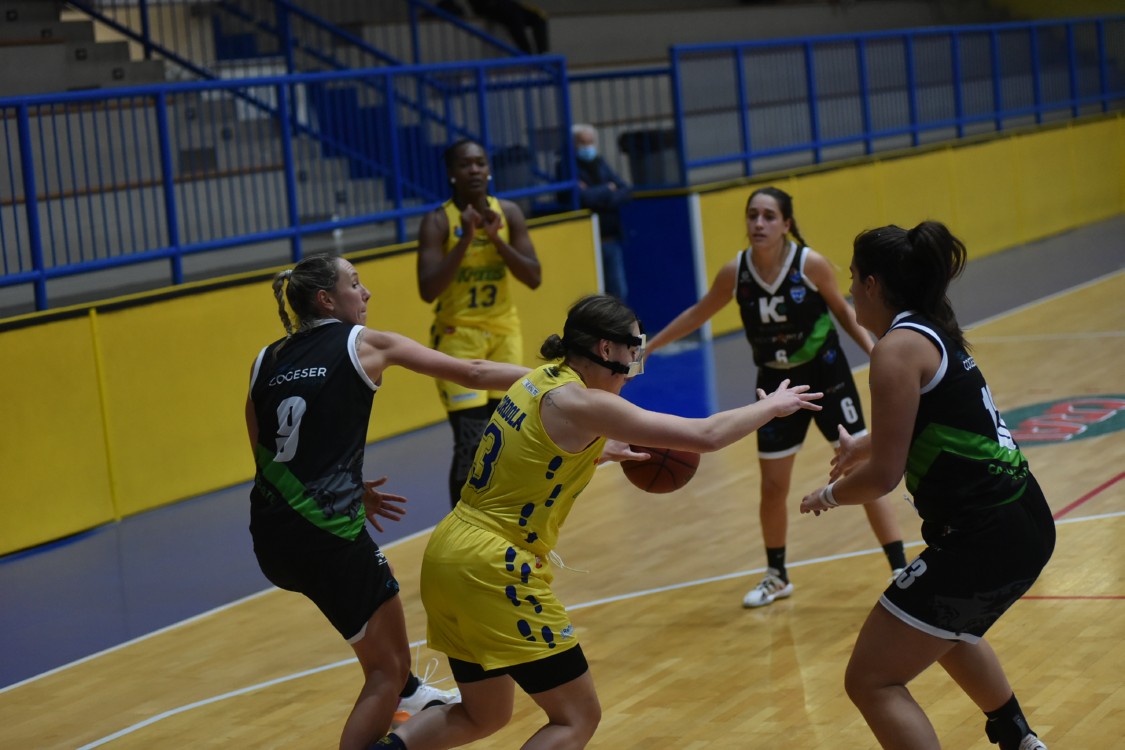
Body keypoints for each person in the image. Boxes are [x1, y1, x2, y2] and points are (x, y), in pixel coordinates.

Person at [375, 294, 823, 750]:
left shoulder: (538, 380)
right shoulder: (583, 403)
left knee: (481, 713)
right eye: (632, 350)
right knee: (576, 717)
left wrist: (594, 450)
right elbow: (705, 435)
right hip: (493, 567)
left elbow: (509, 409)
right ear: (607, 349)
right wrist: (773, 405)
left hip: (448, 553)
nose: (633, 364)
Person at [245, 253, 531, 750]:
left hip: (270, 536)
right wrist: (557, 379)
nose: (366, 293)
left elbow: (265, 448)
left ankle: (412, 696)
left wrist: (349, 487)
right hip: (326, 534)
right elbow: (473, 371)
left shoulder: (264, 361)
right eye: (355, 284)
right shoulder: (365, 343)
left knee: (377, 614)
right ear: (326, 299)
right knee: (388, 669)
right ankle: (403, 693)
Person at [800, 221, 1055, 750]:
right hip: (1022, 516)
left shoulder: (894, 349)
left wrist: (827, 495)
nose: (849, 289)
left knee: (871, 680)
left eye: (854, 278)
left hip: (986, 534)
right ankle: (1020, 740)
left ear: (873, 285)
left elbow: (884, 477)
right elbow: (940, 417)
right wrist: (865, 442)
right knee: (946, 627)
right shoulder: (930, 327)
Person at [646, 186, 907, 608]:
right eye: (752, 215)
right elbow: (699, 313)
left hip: (826, 376)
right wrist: (652, 346)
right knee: (772, 485)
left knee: (860, 467)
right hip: (775, 387)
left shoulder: (810, 264)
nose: (758, 223)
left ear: (786, 223)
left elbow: (845, 313)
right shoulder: (736, 272)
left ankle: (899, 568)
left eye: (768, 216)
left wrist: (880, 354)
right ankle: (777, 575)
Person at [417, 138, 542, 508]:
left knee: (505, 437)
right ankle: (461, 524)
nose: (474, 169)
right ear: (451, 173)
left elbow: (534, 277)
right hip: (458, 336)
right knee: (471, 441)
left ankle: (496, 515)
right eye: (465, 164)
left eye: (480, 163)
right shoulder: (438, 221)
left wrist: (494, 239)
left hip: (504, 334)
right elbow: (428, 289)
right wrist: (466, 240)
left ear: (489, 170)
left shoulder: (509, 213)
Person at [561, 123, 633, 301]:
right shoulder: (566, 167)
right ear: (573, 144)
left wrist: (600, 196)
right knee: (594, 296)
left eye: (590, 142)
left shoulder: (600, 162)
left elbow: (625, 190)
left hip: (610, 238)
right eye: (583, 142)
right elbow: (583, 198)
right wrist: (608, 189)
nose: (588, 147)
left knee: (618, 292)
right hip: (585, 241)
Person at [466, 0, 549, 55]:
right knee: (513, 16)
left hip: (507, 4)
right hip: (488, 5)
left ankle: (543, 54)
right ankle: (527, 53)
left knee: (539, 17)